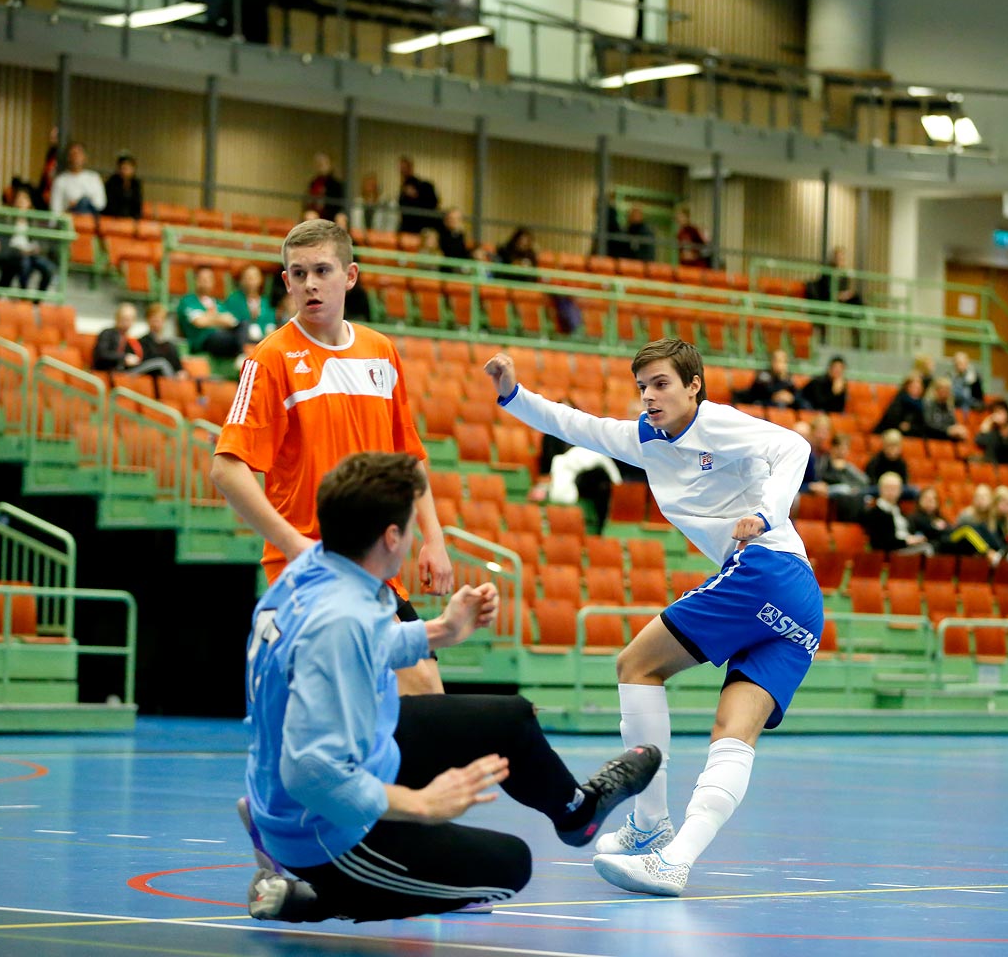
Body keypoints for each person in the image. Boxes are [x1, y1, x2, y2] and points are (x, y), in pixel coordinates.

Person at [240, 451, 661, 923]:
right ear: (392, 536)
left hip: (360, 752)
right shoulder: (340, 621)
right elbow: (310, 771)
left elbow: (364, 643)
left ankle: (577, 814)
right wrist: (421, 803)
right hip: (327, 827)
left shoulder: (313, 567)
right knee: (510, 866)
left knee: (511, 718)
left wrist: (442, 630)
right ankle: (313, 895)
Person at [483, 338, 821, 898]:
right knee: (733, 737)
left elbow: (794, 446)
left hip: (768, 570)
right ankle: (675, 862)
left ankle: (648, 825)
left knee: (637, 664)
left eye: (661, 384)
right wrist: (513, 396)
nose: (648, 396)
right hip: (801, 603)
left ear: (693, 385)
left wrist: (765, 513)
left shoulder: (719, 423)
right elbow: (576, 424)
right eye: (642, 387)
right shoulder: (645, 440)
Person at [211, 218, 454, 697]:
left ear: (351, 276)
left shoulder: (380, 352)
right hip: (310, 573)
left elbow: (407, 457)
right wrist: (295, 545)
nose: (310, 284)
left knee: (421, 694)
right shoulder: (270, 359)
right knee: (411, 690)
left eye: (322, 270)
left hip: (376, 567)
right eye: (298, 274)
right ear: (286, 283)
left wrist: (434, 538)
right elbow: (226, 468)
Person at [179, 267, 249, 360]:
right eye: (202, 279)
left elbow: (230, 321)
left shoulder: (218, 303)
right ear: (196, 281)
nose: (205, 282)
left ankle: (241, 354)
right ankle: (241, 354)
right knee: (236, 338)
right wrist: (219, 318)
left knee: (243, 324)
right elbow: (199, 322)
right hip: (204, 340)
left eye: (208, 279)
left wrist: (208, 317)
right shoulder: (188, 301)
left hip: (225, 337)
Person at [5, 188, 57, 291]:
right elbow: (3, 241)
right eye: (18, 199)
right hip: (15, 252)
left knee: (48, 268)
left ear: (29, 203)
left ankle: (38, 298)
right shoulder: (7, 218)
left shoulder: (34, 220)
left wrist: (37, 248)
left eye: (24, 200)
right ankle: (24, 294)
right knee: (25, 263)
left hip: (32, 253)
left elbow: (41, 241)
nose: (21, 203)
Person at [861, 472, 926, 554]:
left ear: (900, 491)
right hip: (891, 552)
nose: (891, 491)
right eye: (888, 488)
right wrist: (906, 541)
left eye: (895, 488)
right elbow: (880, 543)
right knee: (927, 550)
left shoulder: (899, 511)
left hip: (906, 547)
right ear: (880, 489)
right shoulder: (874, 513)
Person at [817, 433, 870, 521]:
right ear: (833, 448)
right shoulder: (824, 460)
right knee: (844, 489)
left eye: (846, 449)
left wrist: (846, 468)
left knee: (865, 496)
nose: (843, 452)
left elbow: (865, 480)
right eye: (841, 448)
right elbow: (820, 478)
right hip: (827, 490)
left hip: (846, 491)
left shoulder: (846, 465)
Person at [49, 142, 107, 215]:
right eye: (73, 154)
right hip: (69, 218)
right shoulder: (60, 180)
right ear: (68, 157)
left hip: (89, 219)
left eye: (79, 154)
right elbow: (55, 209)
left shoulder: (94, 178)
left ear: (85, 157)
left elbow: (100, 203)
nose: (76, 157)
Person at [225, 264, 276, 344]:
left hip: (263, 341)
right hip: (241, 341)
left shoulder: (265, 302)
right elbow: (231, 321)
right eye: (247, 277)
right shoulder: (234, 299)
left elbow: (270, 322)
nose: (251, 280)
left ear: (260, 279)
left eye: (254, 277)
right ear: (241, 280)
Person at [734, 349, 799, 409]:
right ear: (772, 361)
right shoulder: (764, 375)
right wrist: (776, 395)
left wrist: (790, 398)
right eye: (777, 361)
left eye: (783, 361)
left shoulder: (788, 379)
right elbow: (761, 392)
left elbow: (796, 394)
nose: (780, 364)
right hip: (758, 404)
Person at [138, 302, 187, 378]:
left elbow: (179, 367)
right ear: (148, 320)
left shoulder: (170, 345)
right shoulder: (143, 342)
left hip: (170, 381)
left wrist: (181, 373)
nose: (157, 323)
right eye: (154, 319)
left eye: (160, 319)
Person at [396, 157, 439, 235]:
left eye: (405, 168)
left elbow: (434, 204)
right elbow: (402, 208)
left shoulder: (426, 186)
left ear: (410, 167)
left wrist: (416, 196)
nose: (403, 171)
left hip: (424, 228)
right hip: (408, 229)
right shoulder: (403, 190)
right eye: (401, 169)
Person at [921, 377, 969, 441]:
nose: (945, 392)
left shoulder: (949, 407)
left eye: (947, 389)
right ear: (935, 390)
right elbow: (928, 425)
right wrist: (948, 430)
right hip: (931, 439)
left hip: (945, 440)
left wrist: (958, 430)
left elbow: (953, 423)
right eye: (942, 389)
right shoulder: (928, 404)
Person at [304, 152, 345, 220]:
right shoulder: (313, 183)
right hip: (316, 214)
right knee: (310, 216)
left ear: (330, 164)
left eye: (325, 163)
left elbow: (340, 205)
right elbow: (308, 203)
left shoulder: (336, 185)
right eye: (319, 163)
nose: (321, 166)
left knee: (341, 218)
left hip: (332, 215)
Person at [102, 153, 143, 220]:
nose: (125, 170)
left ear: (133, 169)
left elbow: (137, 205)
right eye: (123, 167)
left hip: (130, 218)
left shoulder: (136, 184)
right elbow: (109, 205)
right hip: (112, 217)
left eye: (128, 167)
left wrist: (134, 218)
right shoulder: (111, 182)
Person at [908, 486, 950, 551]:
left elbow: (949, 530)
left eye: (933, 498)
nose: (930, 501)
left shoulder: (940, 518)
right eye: (926, 498)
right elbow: (929, 531)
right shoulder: (913, 518)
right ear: (919, 500)